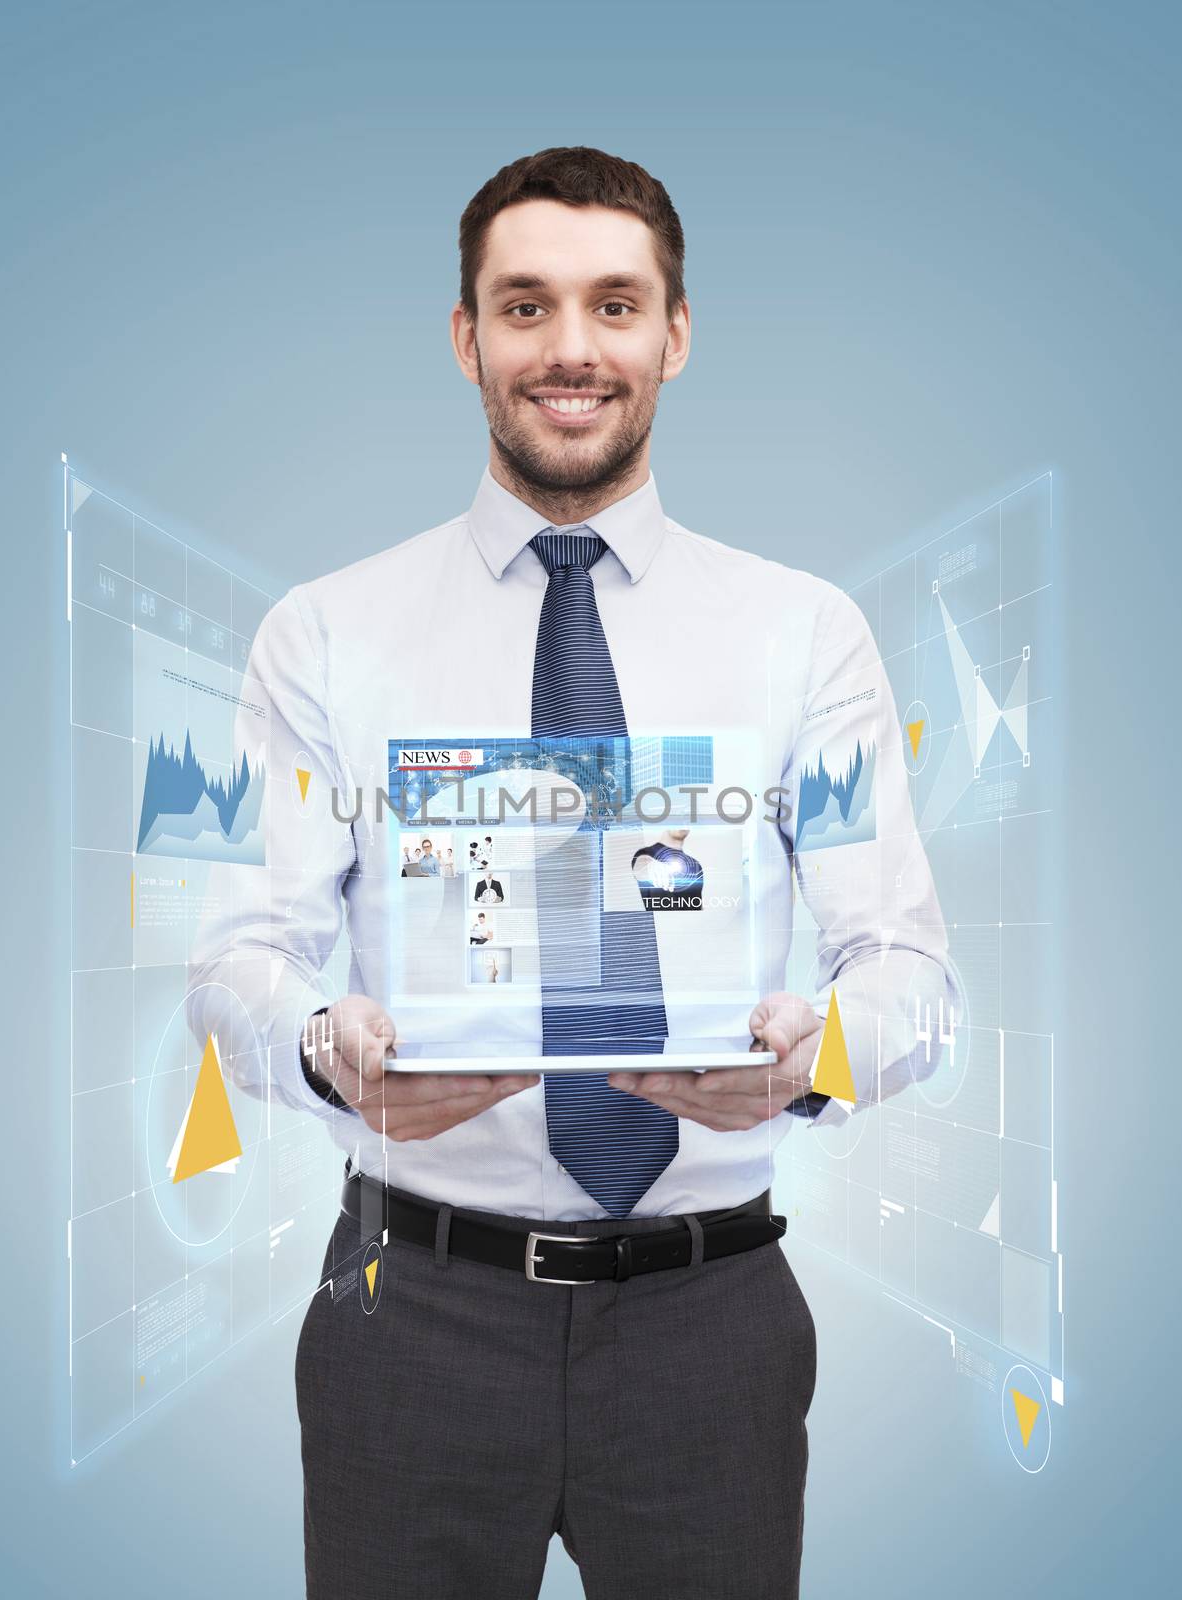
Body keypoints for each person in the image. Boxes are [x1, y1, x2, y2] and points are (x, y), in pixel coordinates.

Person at [189, 146, 956, 1600]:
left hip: (709, 1322)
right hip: (401, 1310)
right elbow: (236, 957)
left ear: (674, 332)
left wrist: (817, 1056)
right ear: (468, 337)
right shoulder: (322, 633)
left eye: (614, 304)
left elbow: (912, 975)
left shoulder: (805, 635)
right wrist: (318, 1046)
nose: (571, 349)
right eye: (525, 306)